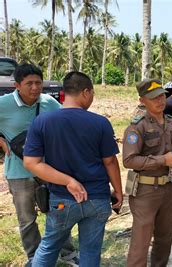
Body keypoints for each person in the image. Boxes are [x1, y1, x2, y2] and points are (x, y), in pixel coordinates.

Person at [23, 71, 123, 266]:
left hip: (62, 199)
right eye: (92, 93)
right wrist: (118, 191)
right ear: (86, 92)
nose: (92, 98)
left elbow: (31, 163)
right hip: (97, 198)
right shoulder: (100, 123)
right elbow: (110, 161)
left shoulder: (42, 122)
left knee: (49, 246)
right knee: (91, 252)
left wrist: (68, 181)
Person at [0, 63, 78, 266]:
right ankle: (35, 257)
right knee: (27, 218)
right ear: (17, 85)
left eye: (38, 83)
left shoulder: (48, 102)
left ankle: (67, 252)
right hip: (18, 171)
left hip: (49, 170)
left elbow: (66, 121)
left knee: (59, 211)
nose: (35, 88)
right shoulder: (4, 104)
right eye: (29, 84)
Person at [123, 78, 172, 267]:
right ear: (142, 101)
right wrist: (162, 160)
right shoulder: (137, 126)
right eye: (153, 98)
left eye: (161, 96)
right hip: (145, 191)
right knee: (141, 242)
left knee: (165, 238)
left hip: (168, 188)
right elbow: (129, 160)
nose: (159, 101)